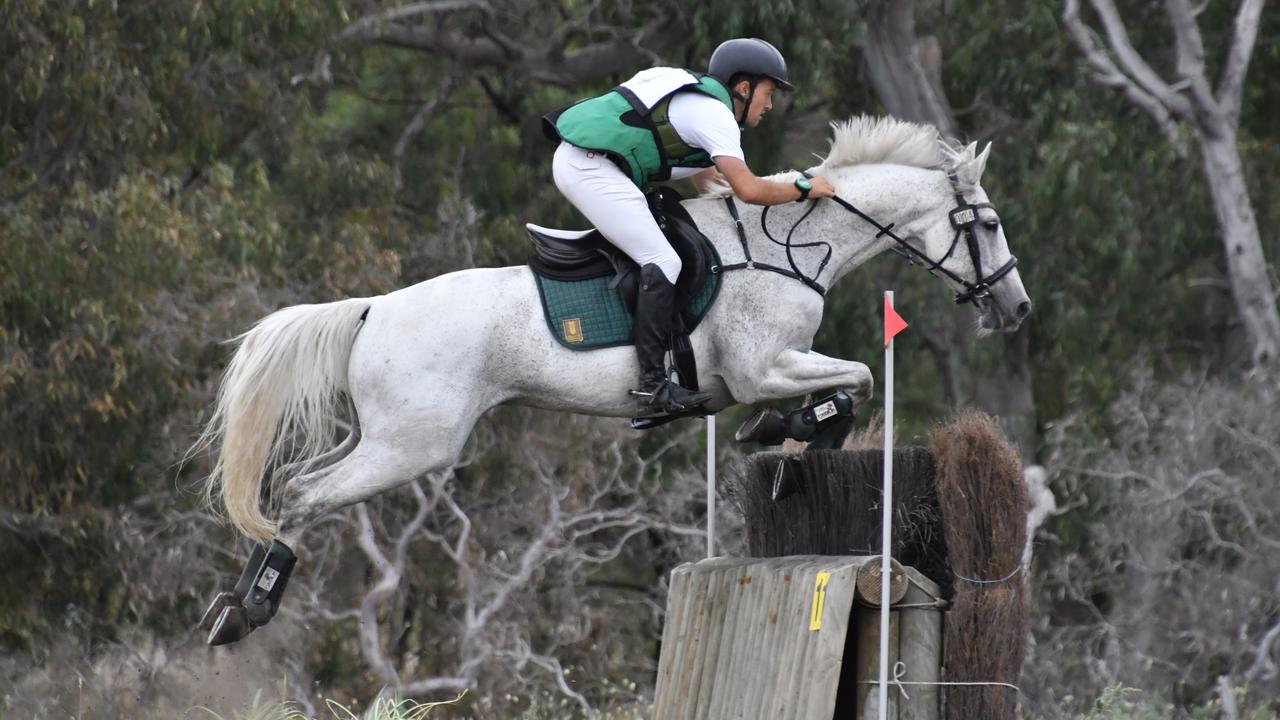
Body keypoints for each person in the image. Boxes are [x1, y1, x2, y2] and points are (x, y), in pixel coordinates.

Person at [542, 38, 836, 420]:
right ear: (744, 89)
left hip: (589, 161)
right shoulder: (714, 115)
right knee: (663, 259)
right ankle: (650, 387)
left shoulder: (692, 98)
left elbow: (710, 186)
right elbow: (747, 189)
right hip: (589, 167)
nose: (769, 104)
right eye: (768, 92)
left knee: (668, 246)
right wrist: (802, 187)